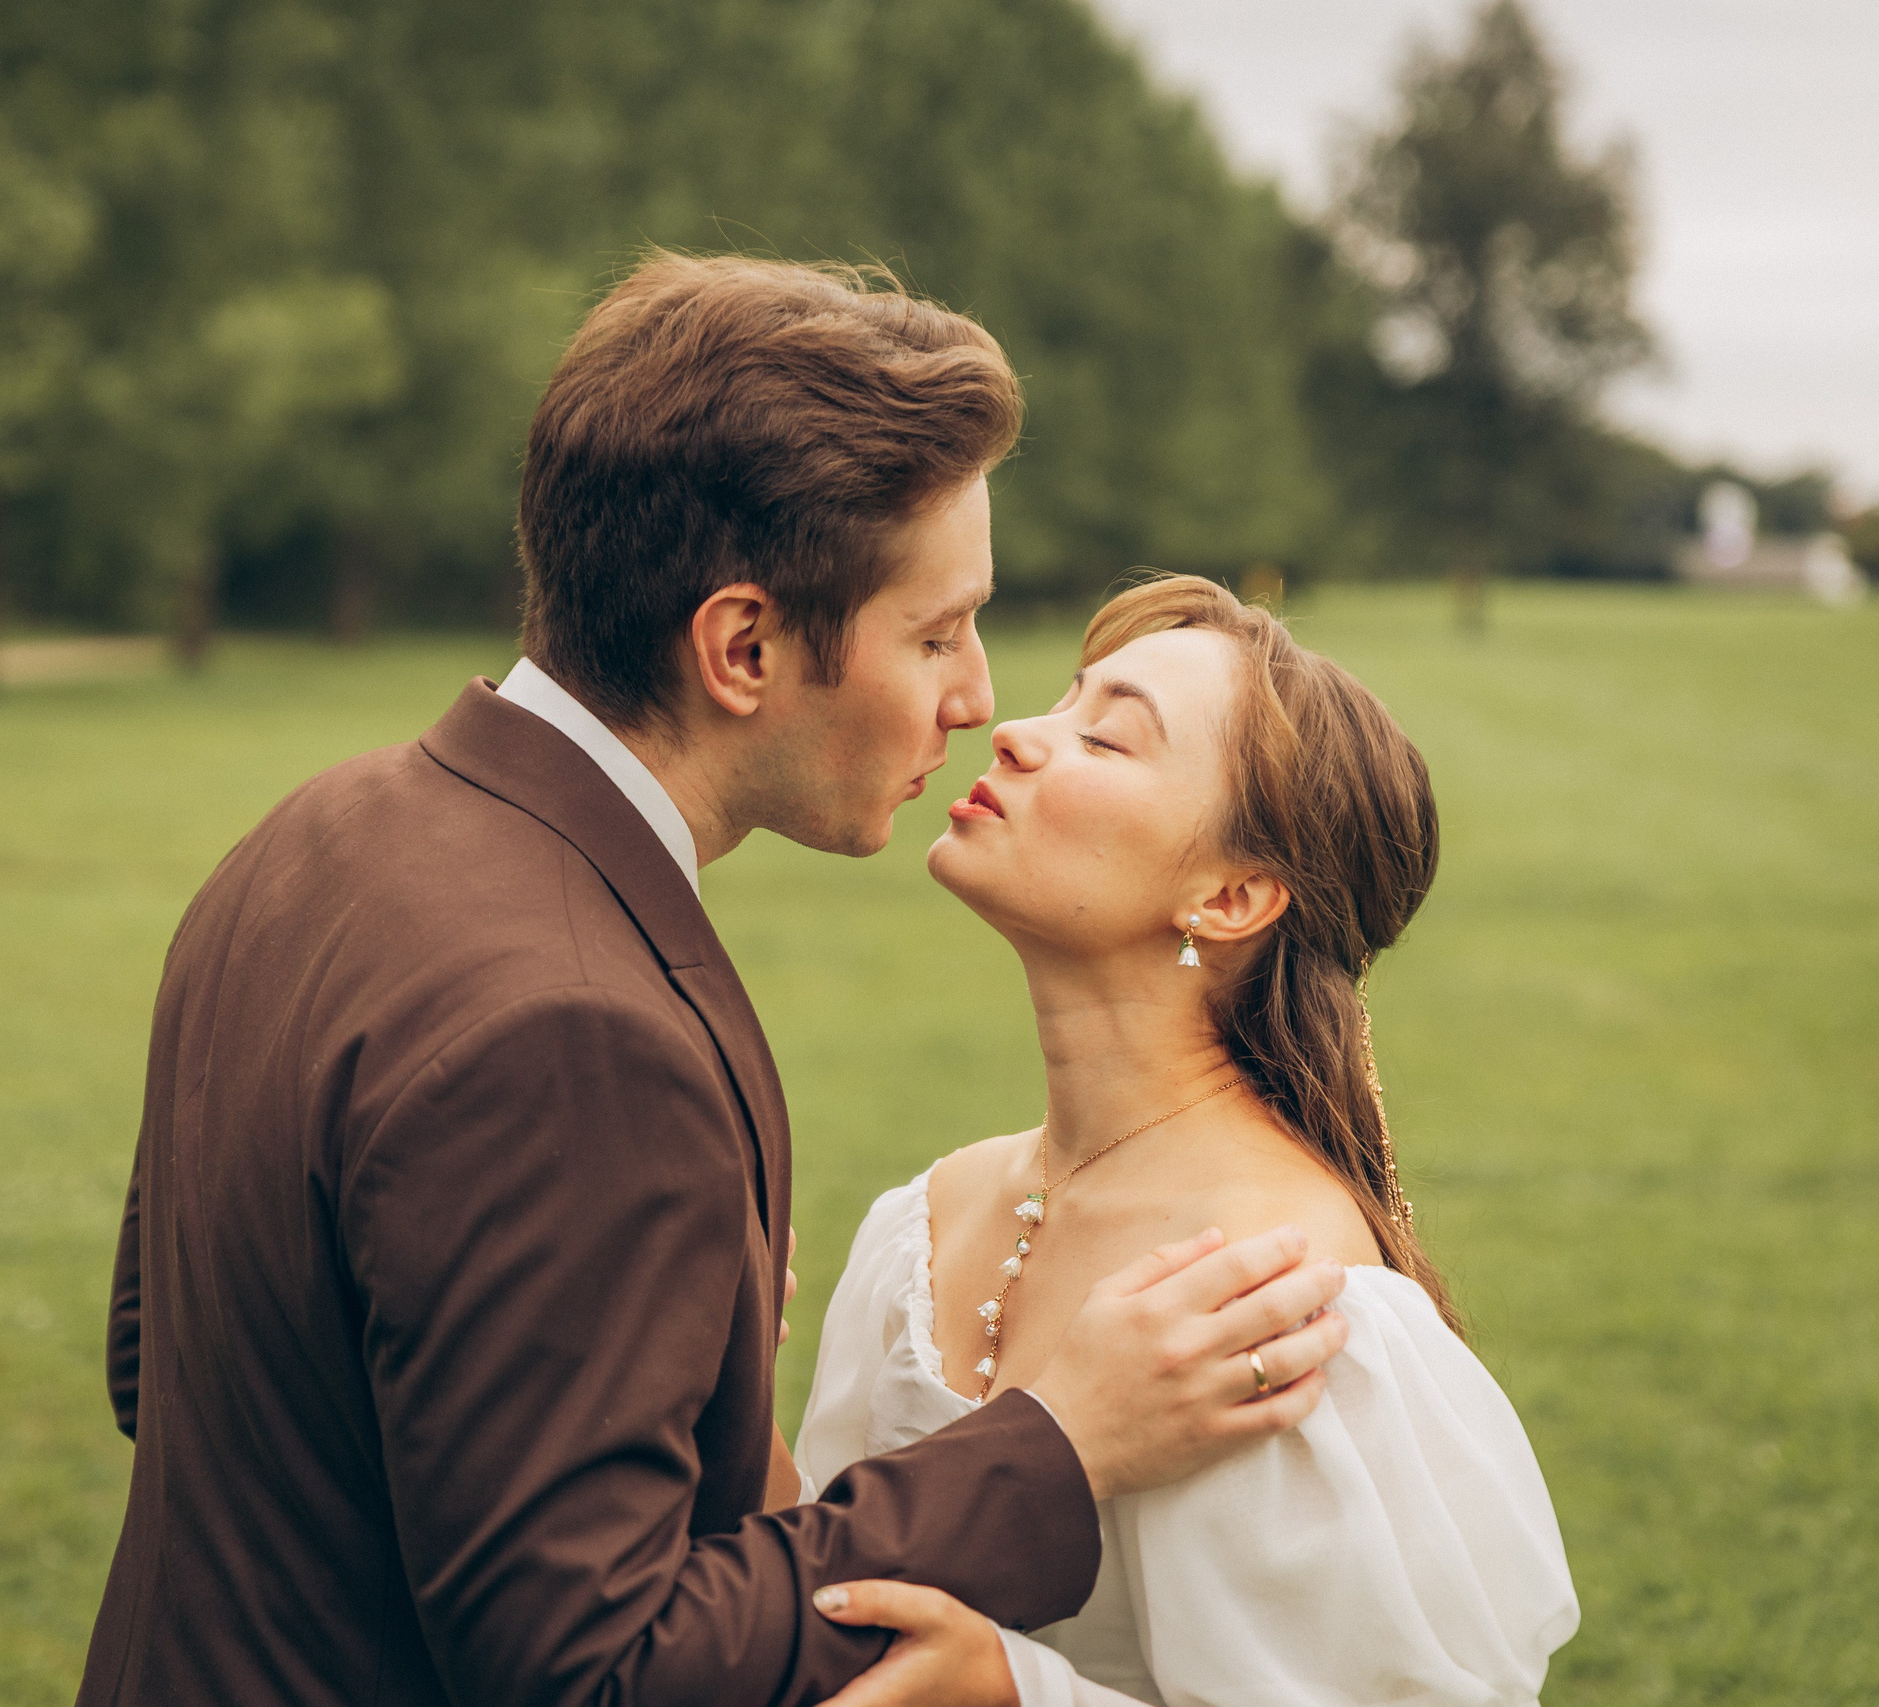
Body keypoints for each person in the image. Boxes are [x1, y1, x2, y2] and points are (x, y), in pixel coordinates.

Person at [74, 258, 1352, 1707]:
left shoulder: (316, 833)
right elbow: (600, 1667)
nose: (978, 695)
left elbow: (161, 1364)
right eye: (935, 631)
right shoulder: (573, 1034)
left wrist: (620, 1356)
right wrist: (1061, 1438)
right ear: (744, 646)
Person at [798, 575, 1581, 1706]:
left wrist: (1017, 1694)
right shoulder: (923, 1219)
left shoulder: (1281, 1304)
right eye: (1065, 703)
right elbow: (821, 1589)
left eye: (1106, 739)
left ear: (1230, 897)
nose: (1012, 732)